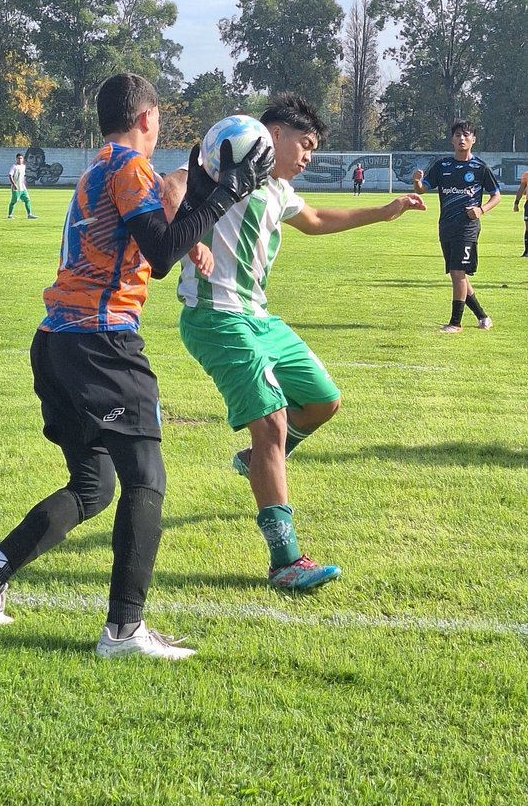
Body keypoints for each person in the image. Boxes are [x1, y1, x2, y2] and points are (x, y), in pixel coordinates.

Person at [0, 73, 273, 659]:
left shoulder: (101, 164)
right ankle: (123, 632)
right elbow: (162, 249)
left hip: (58, 342)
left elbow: (160, 241)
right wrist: (227, 192)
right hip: (100, 344)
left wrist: (203, 190)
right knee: (146, 479)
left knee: (93, 488)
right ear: (148, 117)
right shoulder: (129, 167)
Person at [169, 94, 426, 593]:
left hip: (259, 317)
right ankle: (285, 560)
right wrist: (186, 234)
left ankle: (256, 462)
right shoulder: (222, 166)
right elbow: (172, 186)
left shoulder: (280, 189)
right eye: (304, 144)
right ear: (272, 134)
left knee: (324, 401)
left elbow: (317, 221)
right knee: (272, 422)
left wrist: (386, 211)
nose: (307, 156)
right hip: (215, 319)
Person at [412, 120, 501, 332]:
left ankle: (455, 323)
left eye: (466, 135)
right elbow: (423, 189)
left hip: (467, 227)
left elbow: (496, 195)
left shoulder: (480, 168)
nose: (462, 139)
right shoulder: (442, 166)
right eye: (458, 135)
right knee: (457, 275)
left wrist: (481, 210)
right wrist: (416, 182)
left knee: (458, 271)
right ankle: (482, 316)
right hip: (446, 226)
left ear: (473, 139)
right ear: (452, 139)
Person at [8, 154, 38, 219]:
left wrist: (24, 184)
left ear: (23, 159)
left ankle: (29, 214)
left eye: (21, 158)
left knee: (27, 200)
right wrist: (14, 184)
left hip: (23, 188)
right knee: (14, 201)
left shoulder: (23, 166)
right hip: (16, 188)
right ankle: (10, 215)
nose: (20, 160)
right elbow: (10, 175)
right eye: (18, 158)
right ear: (16, 159)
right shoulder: (14, 166)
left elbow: (23, 176)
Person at [513, 170, 528, 257]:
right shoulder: (526, 175)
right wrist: (516, 202)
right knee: (527, 228)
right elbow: (521, 189)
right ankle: (526, 251)